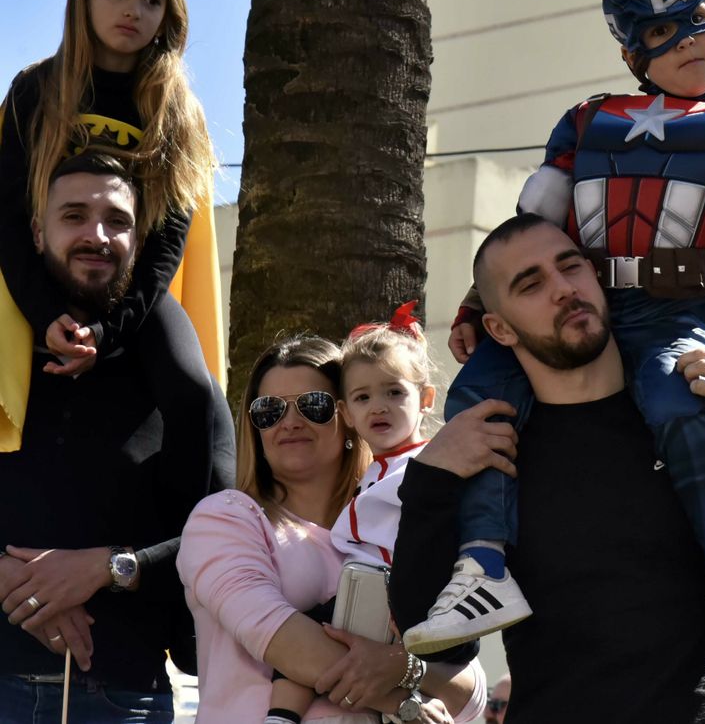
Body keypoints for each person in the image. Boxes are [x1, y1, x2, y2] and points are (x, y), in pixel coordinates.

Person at [416, 0, 705, 688]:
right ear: (631, 51)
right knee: (481, 390)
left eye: (697, 20)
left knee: (686, 409)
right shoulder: (586, 121)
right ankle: (482, 561)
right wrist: (475, 303)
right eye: (661, 31)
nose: (684, 39)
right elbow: (534, 223)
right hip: (588, 312)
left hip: (671, 320)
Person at [389, 214, 705, 723]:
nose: (564, 289)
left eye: (572, 268)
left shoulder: (696, 424)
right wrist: (430, 476)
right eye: (532, 284)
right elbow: (437, 646)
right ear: (498, 327)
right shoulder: (491, 449)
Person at [0, 153, 232, 723]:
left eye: (117, 220)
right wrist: (15, 585)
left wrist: (111, 566)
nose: (96, 236)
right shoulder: (2, 356)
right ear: (36, 230)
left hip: (123, 701)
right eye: (73, 215)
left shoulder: (182, 383)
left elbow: (224, 533)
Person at [179, 337, 485, 723]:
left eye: (313, 405)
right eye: (269, 410)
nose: (289, 422)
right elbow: (279, 637)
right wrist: (405, 700)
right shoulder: (224, 519)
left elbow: (470, 685)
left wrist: (403, 666)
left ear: (346, 416)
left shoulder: (396, 519)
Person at [0, 0, 215, 447]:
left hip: (134, 287)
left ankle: (203, 524)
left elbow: (166, 246)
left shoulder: (176, 110)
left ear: (169, 14)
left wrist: (107, 330)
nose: (133, 10)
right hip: (31, 275)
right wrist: (45, 313)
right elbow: (6, 213)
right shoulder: (35, 90)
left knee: (194, 390)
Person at [265, 305, 442, 724]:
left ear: (426, 399)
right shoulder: (375, 472)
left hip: (401, 595)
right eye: (363, 397)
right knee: (311, 633)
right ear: (347, 413)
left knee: (321, 638)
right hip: (364, 589)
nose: (378, 407)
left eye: (394, 392)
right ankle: (282, 716)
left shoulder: (433, 464)